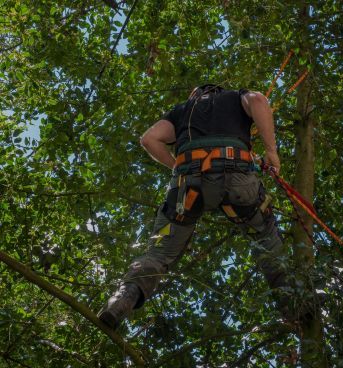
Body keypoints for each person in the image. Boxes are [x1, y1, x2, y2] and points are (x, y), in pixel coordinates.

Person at [98, 84, 310, 330]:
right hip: (238, 178)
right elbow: (259, 102)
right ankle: (294, 306)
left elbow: (149, 140)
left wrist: (181, 167)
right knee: (265, 238)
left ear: (195, 96)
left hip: (188, 186)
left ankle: (124, 297)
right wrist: (272, 152)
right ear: (218, 92)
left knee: (158, 253)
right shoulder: (235, 97)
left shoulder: (182, 111)